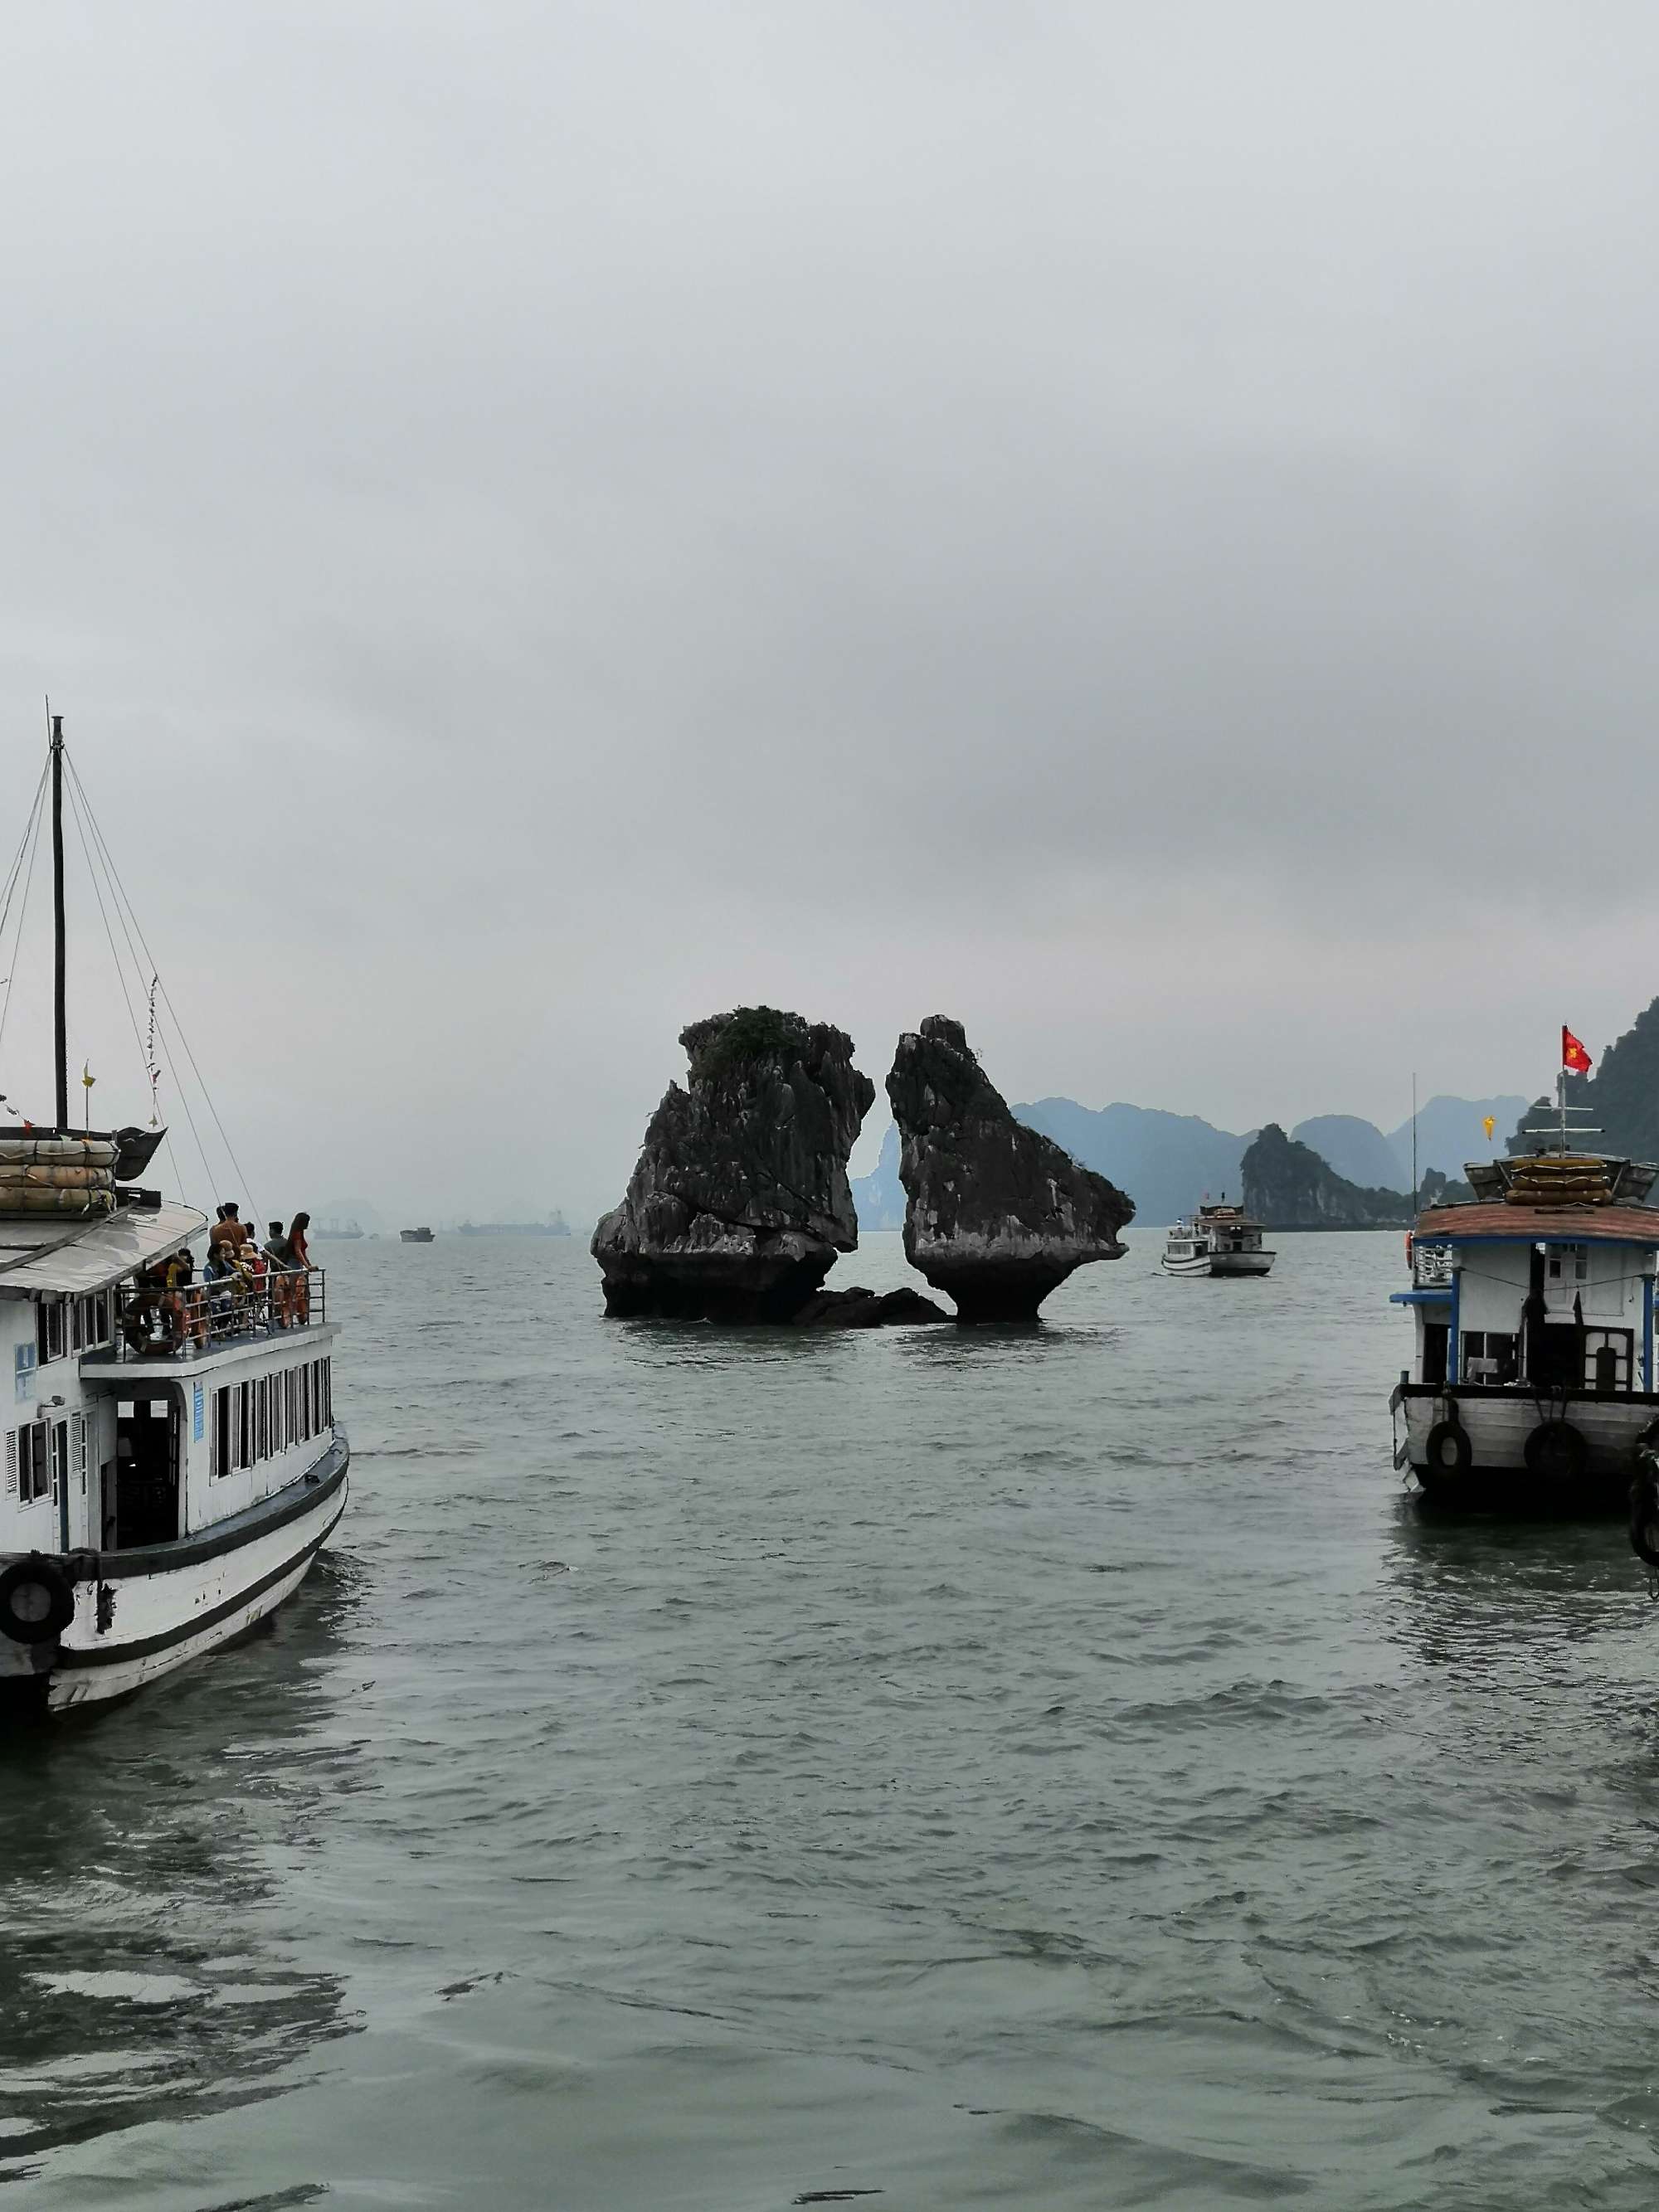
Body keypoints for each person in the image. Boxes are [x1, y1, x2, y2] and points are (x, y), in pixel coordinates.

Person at [286, 1213, 313, 1325]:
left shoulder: (299, 1233)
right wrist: (307, 1266)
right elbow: (298, 1251)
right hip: (294, 1263)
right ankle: (291, 1316)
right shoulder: (297, 1234)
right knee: (294, 1291)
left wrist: (308, 1264)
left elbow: (302, 1251)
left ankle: (296, 1315)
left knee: (297, 1291)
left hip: (298, 1263)